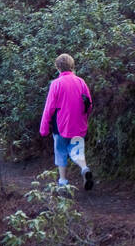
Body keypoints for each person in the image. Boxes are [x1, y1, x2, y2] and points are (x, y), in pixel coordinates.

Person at [39, 53, 94, 190]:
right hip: (78, 123)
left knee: (61, 151)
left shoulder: (56, 84)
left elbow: (49, 108)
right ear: (72, 66)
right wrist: (84, 117)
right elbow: (89, 103)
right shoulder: (81, 82)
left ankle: (63, 181)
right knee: (77, 151)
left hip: (60, 125)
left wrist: (44, 128)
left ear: (58, 68)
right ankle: (84, 168)